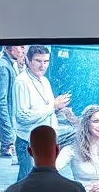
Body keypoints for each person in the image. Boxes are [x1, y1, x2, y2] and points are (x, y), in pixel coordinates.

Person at [12, 45, 77, 182]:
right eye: (38, 61)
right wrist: (53, 106)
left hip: (48, 138)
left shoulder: (44, 80)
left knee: (42, 180)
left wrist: (61, 108)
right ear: (28, 61)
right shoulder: (21, 82)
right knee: (26, 181)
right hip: (28, 141)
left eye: (46, 61)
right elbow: (22, 116)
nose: (43, 66)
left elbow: (48, 108)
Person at [0, 45, 27, 158]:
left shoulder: (9, 63)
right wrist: (8, 139)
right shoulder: (2, 67)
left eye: (24, 47)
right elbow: (0, 102)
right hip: (8, 141)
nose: (23, 50)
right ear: (8, 48)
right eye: (21, 47)